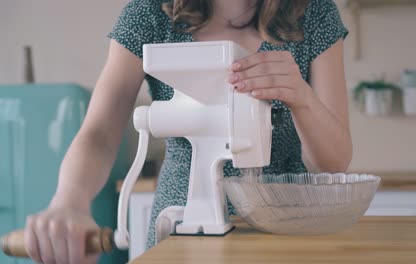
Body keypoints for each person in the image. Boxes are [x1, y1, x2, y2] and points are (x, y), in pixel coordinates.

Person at [24, 0, 352, 263]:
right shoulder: (149, 13)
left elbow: (333, 163)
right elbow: (99, 134)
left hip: (291, 235)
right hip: (180, 236)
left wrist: (302, 97)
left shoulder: (314, 12)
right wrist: (69, 201)